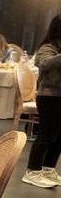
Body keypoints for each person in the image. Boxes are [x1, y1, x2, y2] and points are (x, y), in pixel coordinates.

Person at [23, 16, 61, 188]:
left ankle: (48, 169)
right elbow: (43, 64)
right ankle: (32, 171)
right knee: (46, 134)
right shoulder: (48, 47)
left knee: (59, 136)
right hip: (50, 96)